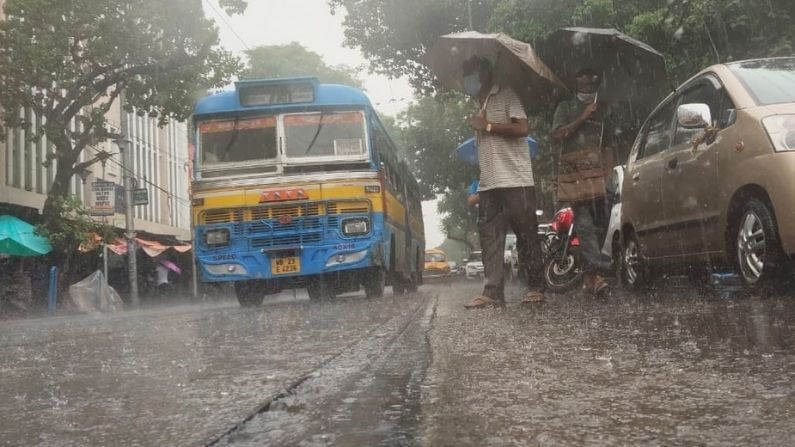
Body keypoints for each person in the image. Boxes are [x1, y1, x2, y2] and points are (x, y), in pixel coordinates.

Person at [461, 56, 545, 309]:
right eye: (467, 76)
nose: (469, 80)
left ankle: (536, 287)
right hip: (488, 184)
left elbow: (522, 128)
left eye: (472, 73)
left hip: (515, 180)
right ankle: (493, 291)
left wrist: (486, 126)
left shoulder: (507, 95)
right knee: (490, 239)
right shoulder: (479, 103)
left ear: (486, 72)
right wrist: (482, 122)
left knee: (526, 235)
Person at [550, 68, 615, 297]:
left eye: (591, 81)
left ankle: (589, 277)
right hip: (575, 177)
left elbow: (607, 145)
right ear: (576, 82)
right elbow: (557, 135)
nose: (587, 85)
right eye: (583, 81)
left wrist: (608, 172)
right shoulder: (565, 108)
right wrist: (583, 117)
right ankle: (597, 273)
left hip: (599, 178)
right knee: (585, 225)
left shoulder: (603, 111)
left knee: (601, 224)